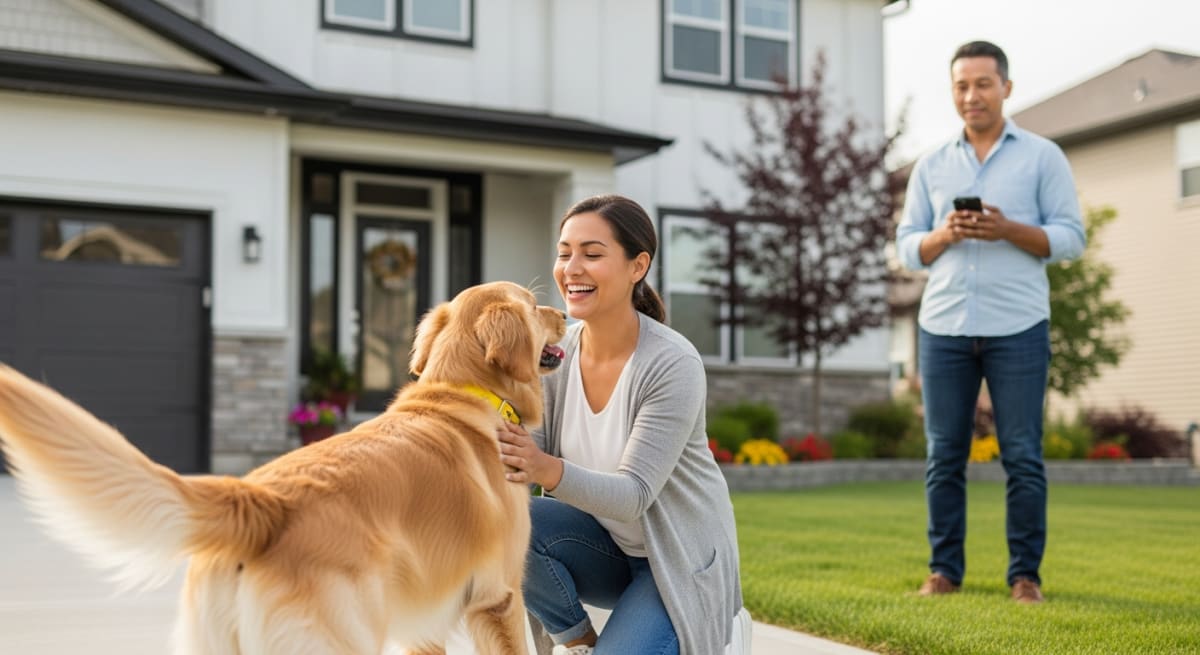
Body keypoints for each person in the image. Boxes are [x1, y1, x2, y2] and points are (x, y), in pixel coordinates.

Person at [498, 194, 746, 654]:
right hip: (604, 552)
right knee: (506, 519)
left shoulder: (671, 363)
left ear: (638, 266)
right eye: (564, 252)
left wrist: (542, 467)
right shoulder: (558, 355)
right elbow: (515, 458)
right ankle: (578, 643)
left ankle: (707, 630)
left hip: (677, 562)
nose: (572, 267)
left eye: (592, 254)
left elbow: (632, 496)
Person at [896, 41, 1086, 605]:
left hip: (1019, 326)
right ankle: (943, 572)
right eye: (961, 85)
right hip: (945, 327)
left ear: (1006, 86)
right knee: (943, 457)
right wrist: (944, 235)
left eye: (982, 84)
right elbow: (907, 248)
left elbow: (1071, 237)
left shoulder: (1042, 157)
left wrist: (1008, 230)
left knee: (1023, 455)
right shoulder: (932, 164)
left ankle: (1025, 576)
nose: (971, 95)